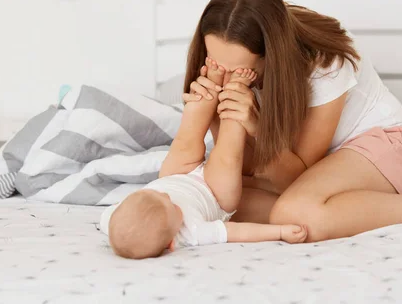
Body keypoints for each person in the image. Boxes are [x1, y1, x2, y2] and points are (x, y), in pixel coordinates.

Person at [182, 0, 402, 243]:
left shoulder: (325, 62)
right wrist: (213, 118)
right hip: (311, 173)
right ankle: (339, 210)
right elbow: (242, 170)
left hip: (379, 147)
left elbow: (294, 173)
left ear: (272, 55)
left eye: (240, 70)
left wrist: (255, 125)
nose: (223, 75)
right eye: (215, 63)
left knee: (296, 212)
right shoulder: (225, 66)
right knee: (219, 203)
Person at [100, 65, 308, 259]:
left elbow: (119, 221)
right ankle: (235, 93)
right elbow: (236, 231)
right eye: (172, 206)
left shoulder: (113, 222)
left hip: (175, 176)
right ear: (172, 243)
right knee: (226, 156)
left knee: (184, 144)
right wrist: (279, 232)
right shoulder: (193, 233)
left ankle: (207, 92)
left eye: (155, 195)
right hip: (213, 193)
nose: (165, 195)